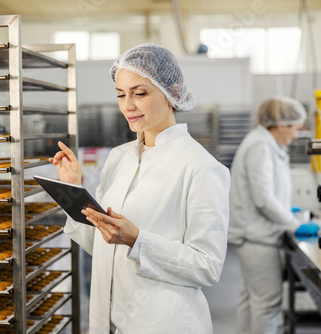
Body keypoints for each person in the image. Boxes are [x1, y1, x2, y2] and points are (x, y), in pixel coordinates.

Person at [49, 43, 230, 333]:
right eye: (121, 95)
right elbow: (102, 245)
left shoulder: (201, 167)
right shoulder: (119, 157)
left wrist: (138, 241)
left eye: (140, 93)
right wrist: (73, 191)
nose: (127, 105)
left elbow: (207, 266)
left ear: (172, 92)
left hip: (166, 323)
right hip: (113, 321)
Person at [228, 96, 319, 334]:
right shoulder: (260, 146)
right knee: (267, 304)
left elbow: (264, 192)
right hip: (255, 237)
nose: (297, 135)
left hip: (254, 233)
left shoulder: (265, 143)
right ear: (281, 125)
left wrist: (286, 208)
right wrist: (292, 224)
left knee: (252, 300)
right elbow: (263, 198)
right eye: (296, 129)